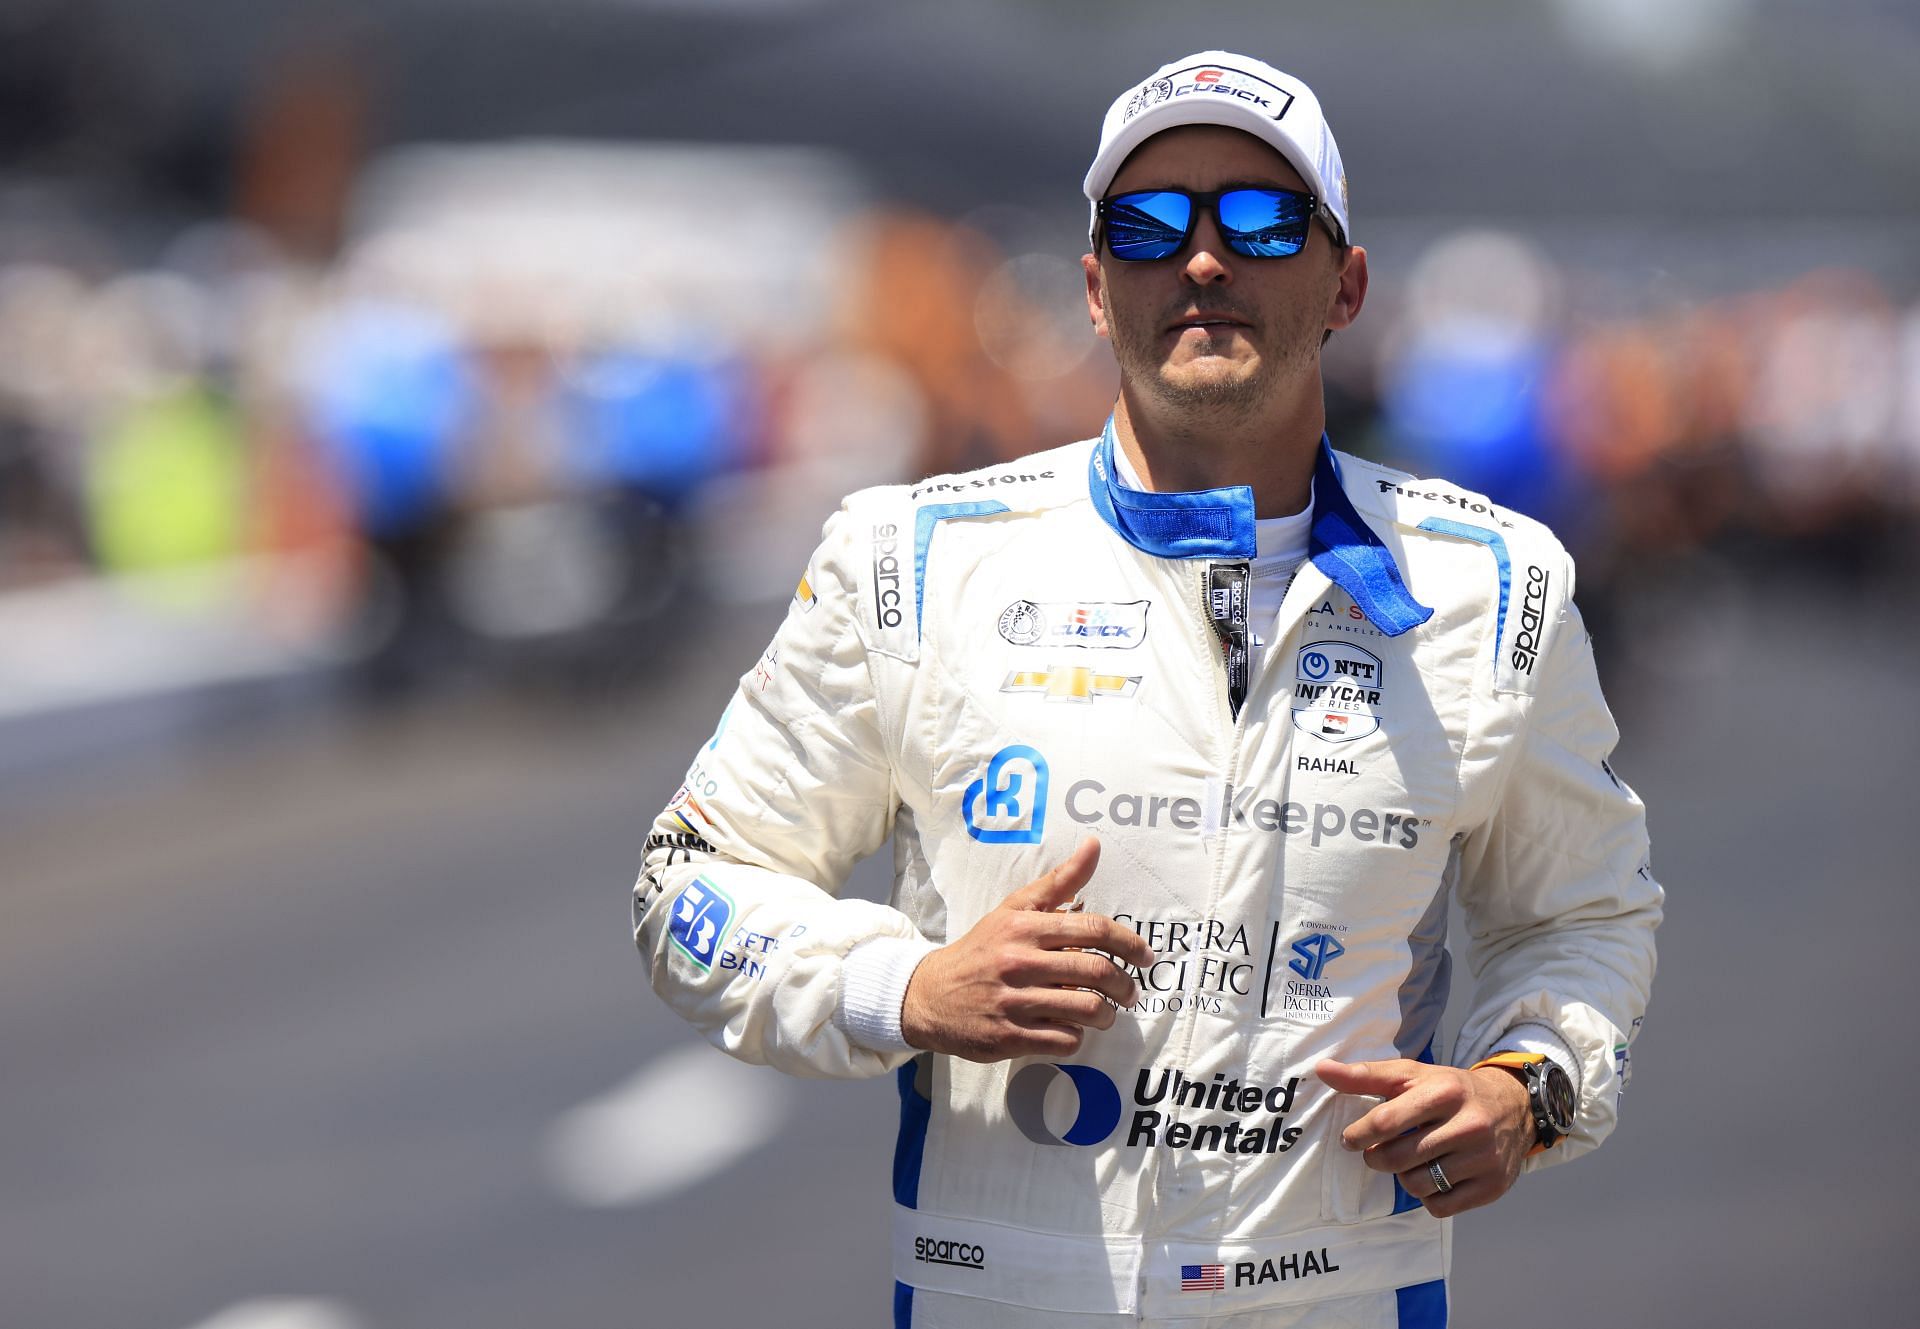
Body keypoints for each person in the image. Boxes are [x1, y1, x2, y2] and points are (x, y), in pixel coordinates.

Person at [631, 49, 1661, 1328]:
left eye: (1263, 217)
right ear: (1096, 289)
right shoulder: (914, 558)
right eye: (1150, 222)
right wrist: (899, 988)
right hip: (1003, 1294)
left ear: (1343, 284)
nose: (1205, 258)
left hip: (1342, 1297)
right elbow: (688, 877)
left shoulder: (1491, 584)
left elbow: (1584, 915)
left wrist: (1530, 1084)